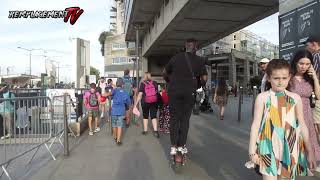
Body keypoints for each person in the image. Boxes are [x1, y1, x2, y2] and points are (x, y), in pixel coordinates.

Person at [248, 59, 315, 179]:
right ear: (269, 78)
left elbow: (303, 125)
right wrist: (252, 151)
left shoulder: (295, 98)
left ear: (289, 77)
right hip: (267, 144)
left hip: (290, 144)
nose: (280, 82)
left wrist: (309, 150)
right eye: (276, 78)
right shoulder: (262, 97)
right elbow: (255, 125)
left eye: (284, 78)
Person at [163, 38, 207, 160]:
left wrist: (170, 81)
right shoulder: (200, 60)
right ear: (195, 48)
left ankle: (173, 146)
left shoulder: (175, 58)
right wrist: (200, 84)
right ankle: (181, 145)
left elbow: (165, 72)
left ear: (185, 46)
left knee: (174, 118)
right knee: (185, 119)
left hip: (174, 92)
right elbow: (204, 78)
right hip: (189, 93)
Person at [288, 49, 320, 171]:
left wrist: (315, 79)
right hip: (291, 113)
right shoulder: (289, 77)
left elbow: (318, 96)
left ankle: (307, 162)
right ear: (295, 62)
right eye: (301, 63)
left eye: (307, 64)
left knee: (308, 137)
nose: (304, 67)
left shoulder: (309, 78)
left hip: (306, 113)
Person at [105, 78, 131, 145]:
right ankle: (118, 140)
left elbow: (108, 94)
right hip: (121, 111)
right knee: (119, 125)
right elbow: (129, 102)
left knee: (114, 125)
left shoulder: (114, 90)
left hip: (114, 111)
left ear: (116, 84)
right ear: (123, 85)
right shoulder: (125, 92)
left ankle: (115, 137)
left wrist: (103, 94)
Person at [134, 72, 160, 138]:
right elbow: (157, 93)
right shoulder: (155, 83)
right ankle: (156, 131)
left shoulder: (143, 83)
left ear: (144, 76)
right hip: (154, 101)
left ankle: (145, 131)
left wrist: (136, 104)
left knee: (145, 116)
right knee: (153, 116)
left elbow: (140, 95)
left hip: (145, 102)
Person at [304, 36, 320, 144]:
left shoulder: (316, 55)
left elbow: (314, 77)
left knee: (317, 126)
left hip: (318, 96)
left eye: (307, 45)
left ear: (314, 44)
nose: (306, 48)